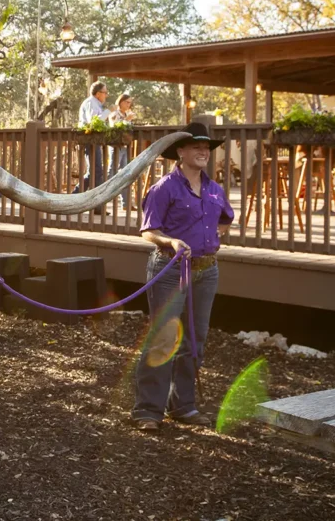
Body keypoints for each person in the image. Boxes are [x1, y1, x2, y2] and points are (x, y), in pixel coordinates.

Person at [131, 121, 234, 433]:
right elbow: (148, 232)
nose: (203, 151)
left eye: (207, 147)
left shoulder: (215, 189)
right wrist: (171, 241)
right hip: (169, 269)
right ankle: (148, 410)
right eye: (196, 146)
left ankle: (183, 406)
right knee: (164, 338)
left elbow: (227, 217)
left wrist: (216, 235)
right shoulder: (164, 188)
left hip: (207, 271)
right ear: (181, 151)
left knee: (194, 339)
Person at [75, 81, 110, 210]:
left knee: (96, 171)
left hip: (94, 140)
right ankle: (78, 198)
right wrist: (108, 112)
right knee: (95, 171)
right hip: (89, 140)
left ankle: (95, 205)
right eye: (105, 92)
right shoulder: (91, 102)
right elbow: (94, 122)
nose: (106, 95)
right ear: (98, 93)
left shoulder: (97, 104)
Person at [107, 93, 135, 210]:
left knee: (126, 173)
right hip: (116, 145)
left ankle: (126, 203)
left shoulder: (127, 114)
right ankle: (105, 198)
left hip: (125, 146)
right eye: (127, 102)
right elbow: (115, 127)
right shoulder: (114, 114)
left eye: (130, 102)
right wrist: (125, 120)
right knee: (112, 171)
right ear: (121, 102)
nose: (129, 104)